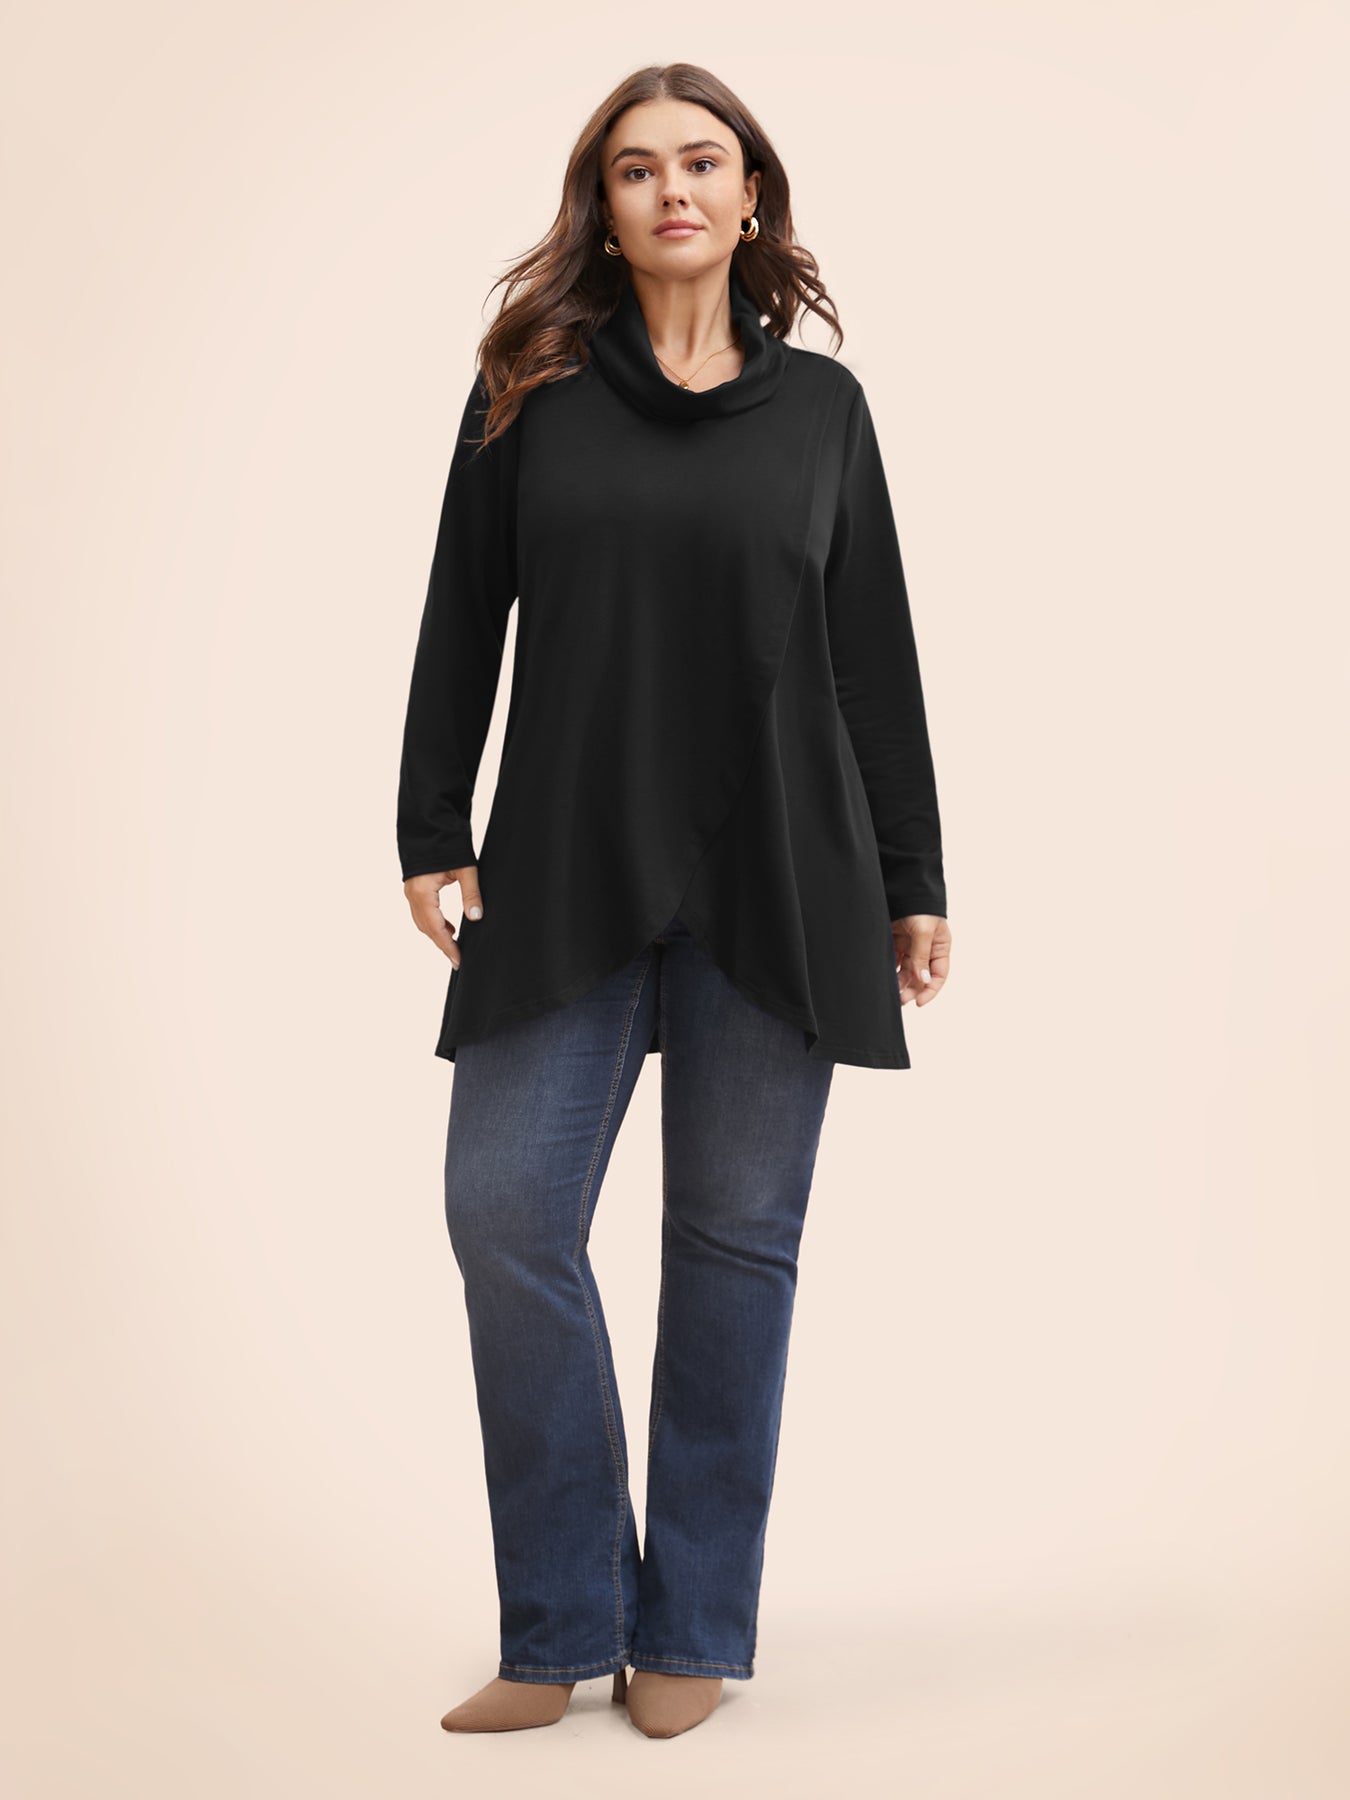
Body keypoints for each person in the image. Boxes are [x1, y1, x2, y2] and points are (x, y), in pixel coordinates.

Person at [397, 62, 952, 1742]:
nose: (672, 191)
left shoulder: (823, 413)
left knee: (731, 1250)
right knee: (505, 1215)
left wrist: (914, 880)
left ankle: (692, 1625)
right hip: (566, 862)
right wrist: (429, 825)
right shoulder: (528, 393)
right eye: (636, 169)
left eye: (701, 161)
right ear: (605, 205)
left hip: (781, 875)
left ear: (750, 191)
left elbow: (872, 659)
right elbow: (459, 616)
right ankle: (560, 1620)